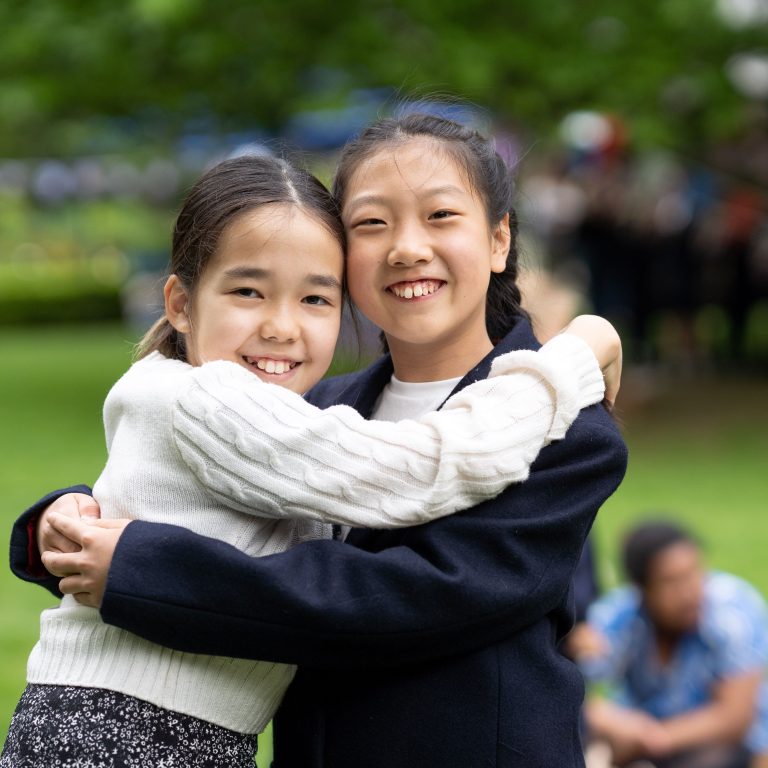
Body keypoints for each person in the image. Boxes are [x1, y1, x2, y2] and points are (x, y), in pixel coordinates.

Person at [11, 113, 628, 767]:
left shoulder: (566, 433)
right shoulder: (318, 405)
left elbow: (404, 600)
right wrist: (64, 521)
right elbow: (202, 492)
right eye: (371, 223)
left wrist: (141, 565)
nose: (406, 247)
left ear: (500, 239)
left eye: (441, 216)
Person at [570, 520, 768, 768]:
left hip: (734, 747)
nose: (688, 592)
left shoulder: (733, 612)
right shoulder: (622, 617)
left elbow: (735, 718)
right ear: (642, 589)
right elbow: (574, 688)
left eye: (693, 573)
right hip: (649, 741)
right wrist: (609, 720)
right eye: (670, 581)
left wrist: (655, 736)